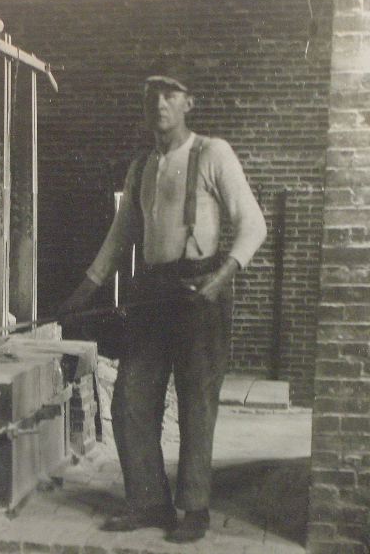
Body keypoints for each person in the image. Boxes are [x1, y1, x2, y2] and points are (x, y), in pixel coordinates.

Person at [58, 58, 267, 543]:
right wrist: (83, 291)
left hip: (200, 290)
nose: (159, 102)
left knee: (196, 402)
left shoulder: (213, 154)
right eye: (152, 93)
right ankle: (149, 503)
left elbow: (253, 225)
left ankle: (194, 508)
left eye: (170, 93)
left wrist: (220, 278)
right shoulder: (142, 167)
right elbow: (119, 237)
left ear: (189, 102)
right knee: (131, 397)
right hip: (152, 291)